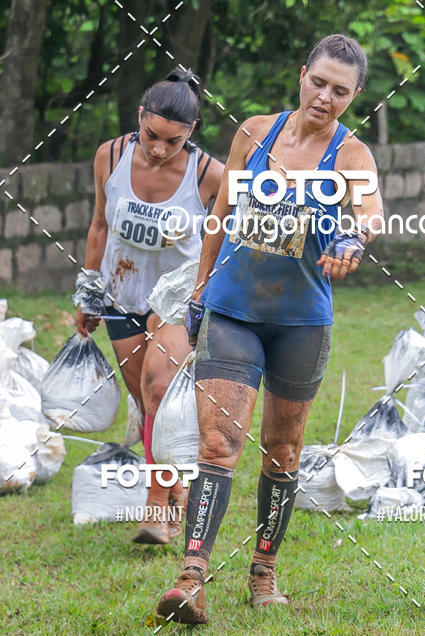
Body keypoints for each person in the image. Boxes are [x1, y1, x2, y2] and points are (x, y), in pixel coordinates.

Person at [157, 34, 383, 623]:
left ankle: (264, 572)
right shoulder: (254, 132)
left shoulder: (351, 154)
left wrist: (353, 240)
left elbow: (370, 212)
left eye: (340, 90)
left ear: (354, 97)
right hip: (233, 310)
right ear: (301, 73)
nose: (325, 97)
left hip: (301, 323)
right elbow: (222, 213)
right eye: (319, 82)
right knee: (217, 444)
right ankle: (191, 577)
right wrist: (203, 285)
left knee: (282, 450)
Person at [74, 68, 223, 543]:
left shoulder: (209, 174)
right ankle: (175, 483)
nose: (158, 149)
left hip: (176, 301)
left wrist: (208, 295)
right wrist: (88, 290)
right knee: (146, 403)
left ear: (192, 133)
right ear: (139, 116)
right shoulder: (111, 155)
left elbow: (226, 241)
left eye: (172, 141)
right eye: (151, 135)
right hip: (122, 295)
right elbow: (100, 225)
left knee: (160, 390)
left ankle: (157, 508)